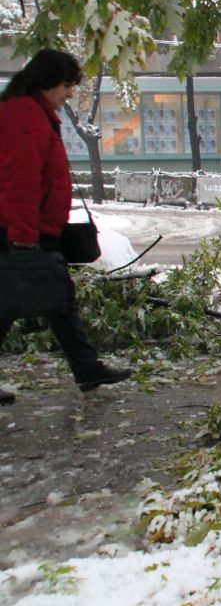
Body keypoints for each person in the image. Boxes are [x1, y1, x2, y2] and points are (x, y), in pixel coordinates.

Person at [0, 49, 132, 405]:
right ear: (46, 81)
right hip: (23, 232)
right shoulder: (24, 116)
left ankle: (87, 369)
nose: (71, 93)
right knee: (10, 304)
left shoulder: (33, 112)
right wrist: (25, 238)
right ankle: (87, 368)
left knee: (58, 302)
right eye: (67, 85)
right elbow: (20, 180)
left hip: (35, 229)